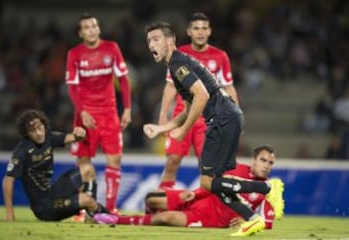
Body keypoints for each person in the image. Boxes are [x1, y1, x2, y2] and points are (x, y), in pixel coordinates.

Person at [142, 21, 283, 236]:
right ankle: (253, 218)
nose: (151, 44)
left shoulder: (177, 65)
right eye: (149, 40)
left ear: (170, 42)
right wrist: (163, 128)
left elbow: (202, 96)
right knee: (215, 183)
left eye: (156, 39)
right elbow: (189, 107)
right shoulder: (180, 63)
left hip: (221, 120)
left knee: (209, 182)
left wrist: (183, 131)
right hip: (230, 117)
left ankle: (266, 188)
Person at [93, 145, 284, 231]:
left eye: (270, 163)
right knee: (151, 198)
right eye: (263, 160)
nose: (267, 165)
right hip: (202, 198)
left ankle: (117, 219)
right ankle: (149, 219)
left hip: (211, 218)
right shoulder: (234, 168)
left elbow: (267, 223)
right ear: (254, 160)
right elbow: (212, 186)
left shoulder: (268, 189)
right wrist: (194, 193)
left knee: (165, 217)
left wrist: (245, 222)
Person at [157, 12, 239, 189]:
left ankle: (204, 211)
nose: (200, 32)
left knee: (207, 166)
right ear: (188, 31)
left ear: (209, 31)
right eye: (196, 28)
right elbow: (171, 85)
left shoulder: (220, 56)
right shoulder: (179, 54)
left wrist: (234, 117)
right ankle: (160, 209)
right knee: (172, 161)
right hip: (183, 114)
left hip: (208, 118)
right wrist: (163, 115)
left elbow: (228, 87)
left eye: (204, 28)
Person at [65, 13, 132, 217]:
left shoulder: (111, 48)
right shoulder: (74, 54)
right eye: (86, 27)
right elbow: (73, 87)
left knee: (115, 159)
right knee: (83, 162)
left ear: (99, 28)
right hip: (85, 116)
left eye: (94, 26)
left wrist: (127, 108)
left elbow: (123, 79)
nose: (91, 30)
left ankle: (111, 208)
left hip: (110, 113)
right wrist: (82, 111)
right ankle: (83, 209)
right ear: (81, 33)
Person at [2, 109, 108, 221]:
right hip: (44, 207)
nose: (38, 133)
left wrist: (81, 133)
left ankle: (90, 215)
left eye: (39, 127)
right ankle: (107, 216)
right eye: (32, 130)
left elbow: (76, 137)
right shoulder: (22, 150)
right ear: (26, 133)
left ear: (44, 125)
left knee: (88, 169)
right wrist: (10, 214)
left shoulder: (49, 137)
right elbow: (8, 180)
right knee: (87, 200)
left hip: (53, 192)